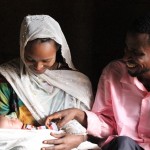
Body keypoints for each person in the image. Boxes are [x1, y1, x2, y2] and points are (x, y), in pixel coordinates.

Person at [44, 13, 150, 150]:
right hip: (123, 147)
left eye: (137, 53)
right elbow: (107, 123)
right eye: (126, 49)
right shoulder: (113, 73)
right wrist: (78, 114)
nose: (127, 58)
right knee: (123, 143)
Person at [0, 14, 94, 149]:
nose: (38, 67)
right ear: (22, 48)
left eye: (46, 60)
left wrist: (80, 138)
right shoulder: (7, 78)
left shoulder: (78, 83)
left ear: (58, 49)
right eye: (30, 59)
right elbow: (2, 130)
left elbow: (94, 128)